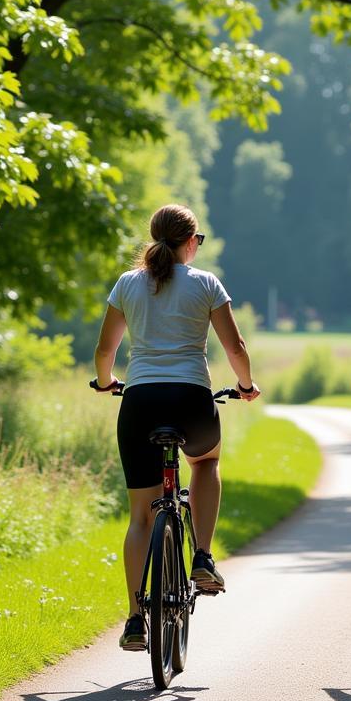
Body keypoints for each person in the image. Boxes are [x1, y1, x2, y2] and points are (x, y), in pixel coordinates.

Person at [93, 203, 260, 650]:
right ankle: (202, 555)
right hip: (191, 399)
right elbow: (235, 346)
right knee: (206, 462)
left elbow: (104, 353)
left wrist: (107, 383)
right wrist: (246, 386)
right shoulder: (206, 283)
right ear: (191, 241)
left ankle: (133, 619)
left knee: (140, 517)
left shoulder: (128, 284)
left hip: (140, 402)